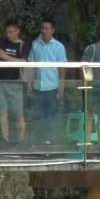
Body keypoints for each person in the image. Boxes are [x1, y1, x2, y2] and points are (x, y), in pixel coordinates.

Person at [0, 19, 30, 150]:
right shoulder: (0, 43)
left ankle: (22, 140)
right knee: (3, 112)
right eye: (6, 32)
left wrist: (5, 56)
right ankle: (5, 140)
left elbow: (23, 62)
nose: (8, 35)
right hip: (0, 82)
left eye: (11, 32)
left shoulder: (23, 45)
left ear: (17, 31)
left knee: (18, 113)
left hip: (15, 83)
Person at [28, 18, 67, 146]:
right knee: (38, 114)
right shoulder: (35, 44)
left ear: (52, 30)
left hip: (51, 87)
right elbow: (31, 66)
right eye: (42, 28)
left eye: (47, 28)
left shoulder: (59, 47)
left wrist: (61, 86)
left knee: (51, 115)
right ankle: (39, 140)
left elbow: (62, 68)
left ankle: (50, 140)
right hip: (38, 86)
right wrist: (29, 84)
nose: (44, 31)